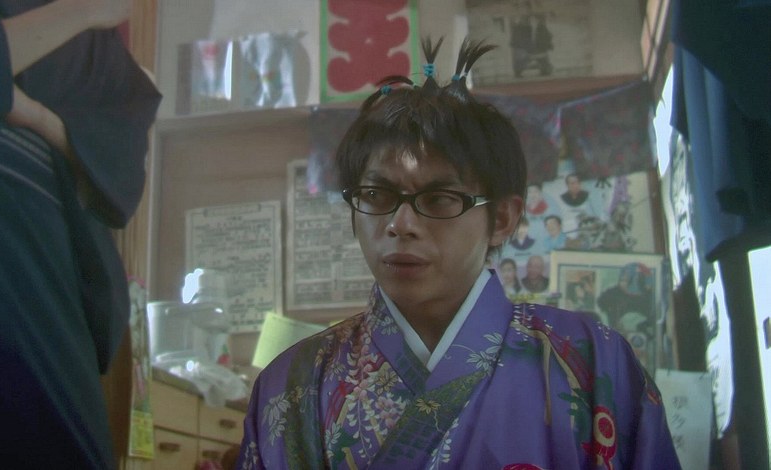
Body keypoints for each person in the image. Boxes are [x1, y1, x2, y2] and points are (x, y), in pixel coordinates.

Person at [236, 38, 679, 469]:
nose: (400, 224)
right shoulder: (291, 386)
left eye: (439, 199)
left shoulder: (593, 362)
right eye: (375, 195)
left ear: (502, 218)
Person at [0, 1, 161, 468]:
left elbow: (119, 169)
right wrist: (82, 11)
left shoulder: (101, 50)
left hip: (51, 260)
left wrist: (34, 114)